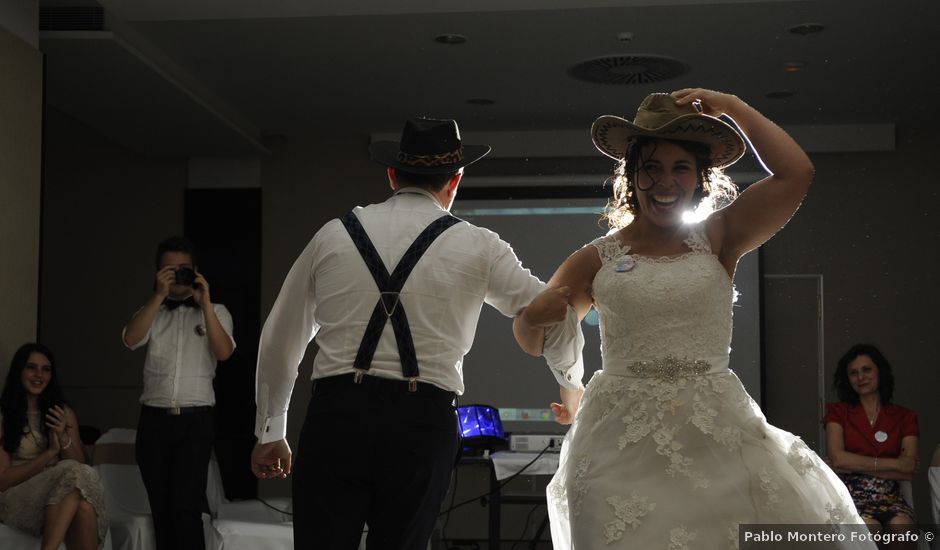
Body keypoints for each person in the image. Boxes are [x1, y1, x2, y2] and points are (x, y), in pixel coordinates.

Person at [515, 89, 872, 548]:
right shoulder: (595, 259)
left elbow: (796, 172)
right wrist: (530, 318)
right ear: (632, 174)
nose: (666, 182)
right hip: (618, 438)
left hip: (715, 430)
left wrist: (732, 107)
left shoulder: (720, 235)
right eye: (652, 168)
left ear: (700, 177)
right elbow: (534, 338)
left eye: (680, 167)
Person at [250, 117, 583, 550]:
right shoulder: (481, 245)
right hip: (422, 425)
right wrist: (570, 387)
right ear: (456, 180)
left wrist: (270, 430)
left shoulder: (333, 235)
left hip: (337, 417)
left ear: (392, 175)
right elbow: (554, 312)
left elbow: (280, 338)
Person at [122, 236, 235, 550]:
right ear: (158, 273)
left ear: (196, 271)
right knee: (162, 511)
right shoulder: (151, 311)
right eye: (169, 270)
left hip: (194, 423)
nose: (178, 275)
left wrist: (206, 303)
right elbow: (131, 339)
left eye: (184, 269)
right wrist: (158, 296)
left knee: (186, 509)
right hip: (153, 422)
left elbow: (224, 352)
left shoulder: (217, 311)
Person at [0, 343, 107, 550]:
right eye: (31, 367)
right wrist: (49, 453)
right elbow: (2, 481)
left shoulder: (63, 412)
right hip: (15, 498)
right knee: (75, 476)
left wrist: (63, 437)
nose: (39, 374)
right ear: (19, 371)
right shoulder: (3, 415)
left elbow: (81, 467)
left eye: (46, 369)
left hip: (61, 499)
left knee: (84, 506)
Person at [823, 344, 919, 547]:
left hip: (892, 498)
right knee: (869, 530)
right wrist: (894, 465)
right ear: (847, 379)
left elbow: (909, 469)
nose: (861, 377)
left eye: (867, 370)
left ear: (880, 372)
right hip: (853, 497)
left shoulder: (905, 417)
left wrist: (852, 464)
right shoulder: (838, 413)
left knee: (902, 529)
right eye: (853, 373)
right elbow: (838, 458)